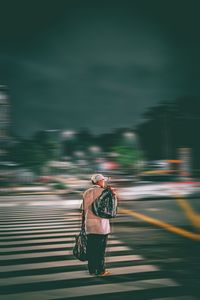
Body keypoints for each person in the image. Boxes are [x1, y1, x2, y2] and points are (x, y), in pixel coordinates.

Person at [82, 173, 117, 276]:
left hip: (89, 225)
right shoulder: (105, 192)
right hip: (101, 226)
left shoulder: (86, 192)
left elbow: (83, 210)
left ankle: (92, 270)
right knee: (100, 250)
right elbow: (112, 209)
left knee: (92, 248)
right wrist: (113, 195)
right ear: (99, 181)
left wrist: (82, 225)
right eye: (103, 180)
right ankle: (101, 271)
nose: (104, 182)